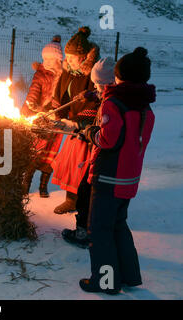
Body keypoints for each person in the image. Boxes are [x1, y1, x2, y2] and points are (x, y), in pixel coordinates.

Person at [79, 47, 155, 294]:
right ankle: (129, 276)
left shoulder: (114, 103)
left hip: (108, 176)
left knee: (99, 230)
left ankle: (106, 281)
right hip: (129, 178)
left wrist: (90, 133)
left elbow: (108, 139)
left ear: (120, 77)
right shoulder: (145, 106)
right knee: (118, 225)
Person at [60, 57, 116, 248]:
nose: (96, 87)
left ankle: (85, 233)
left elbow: (105, 133)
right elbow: (99, 96)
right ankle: (90, 229)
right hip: (101, 158)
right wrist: (90, 95)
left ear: (109, 82)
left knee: (87, 193)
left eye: (98, 85)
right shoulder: (108, 96)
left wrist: (87, 131)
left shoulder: (111, 104)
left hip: (104, 160)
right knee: (86, 191)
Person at [50, 26, 100, 214]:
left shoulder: (92, 75)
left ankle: (83, 203)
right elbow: (60, 94)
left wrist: (78, 122)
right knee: (69, 164)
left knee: (82, 167)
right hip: (72, 126)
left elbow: (95, 101)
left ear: (84, 56)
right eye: (67, 56)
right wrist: (56, 112)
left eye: (72, 57)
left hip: (86, 130)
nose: (68, 60)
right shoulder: (68, 72)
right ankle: (70, 200)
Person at [21, 35, 63, 197]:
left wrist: (58, 112)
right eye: (46, 59)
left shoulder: (63, 75)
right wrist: (32, 105)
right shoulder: (40, 74)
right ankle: (27, 181)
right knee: (36, 151)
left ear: (58, 59)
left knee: (51, 154)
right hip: (40, 116)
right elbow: (34, 91)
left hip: (56, 119)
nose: (48, 62)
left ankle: (44, 185)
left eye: (51, 59)